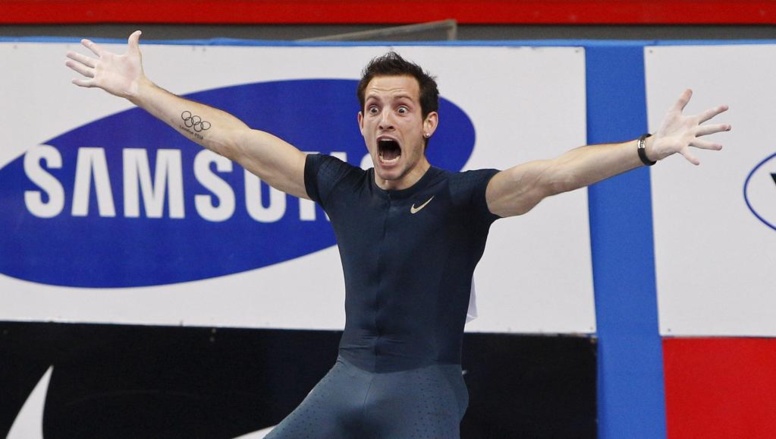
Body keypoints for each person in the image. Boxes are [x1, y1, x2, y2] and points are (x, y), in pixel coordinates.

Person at [66, 31, 730, 438]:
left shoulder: (462, 198)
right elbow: (236, 141)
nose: (388, 117)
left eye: (403, 107)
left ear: (428, 124)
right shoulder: (338, 186)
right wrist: (141, 90)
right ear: (362, 123)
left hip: (425, 391)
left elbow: (553, 175)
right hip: (345, 382)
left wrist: (647, 146)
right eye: (375, 107)